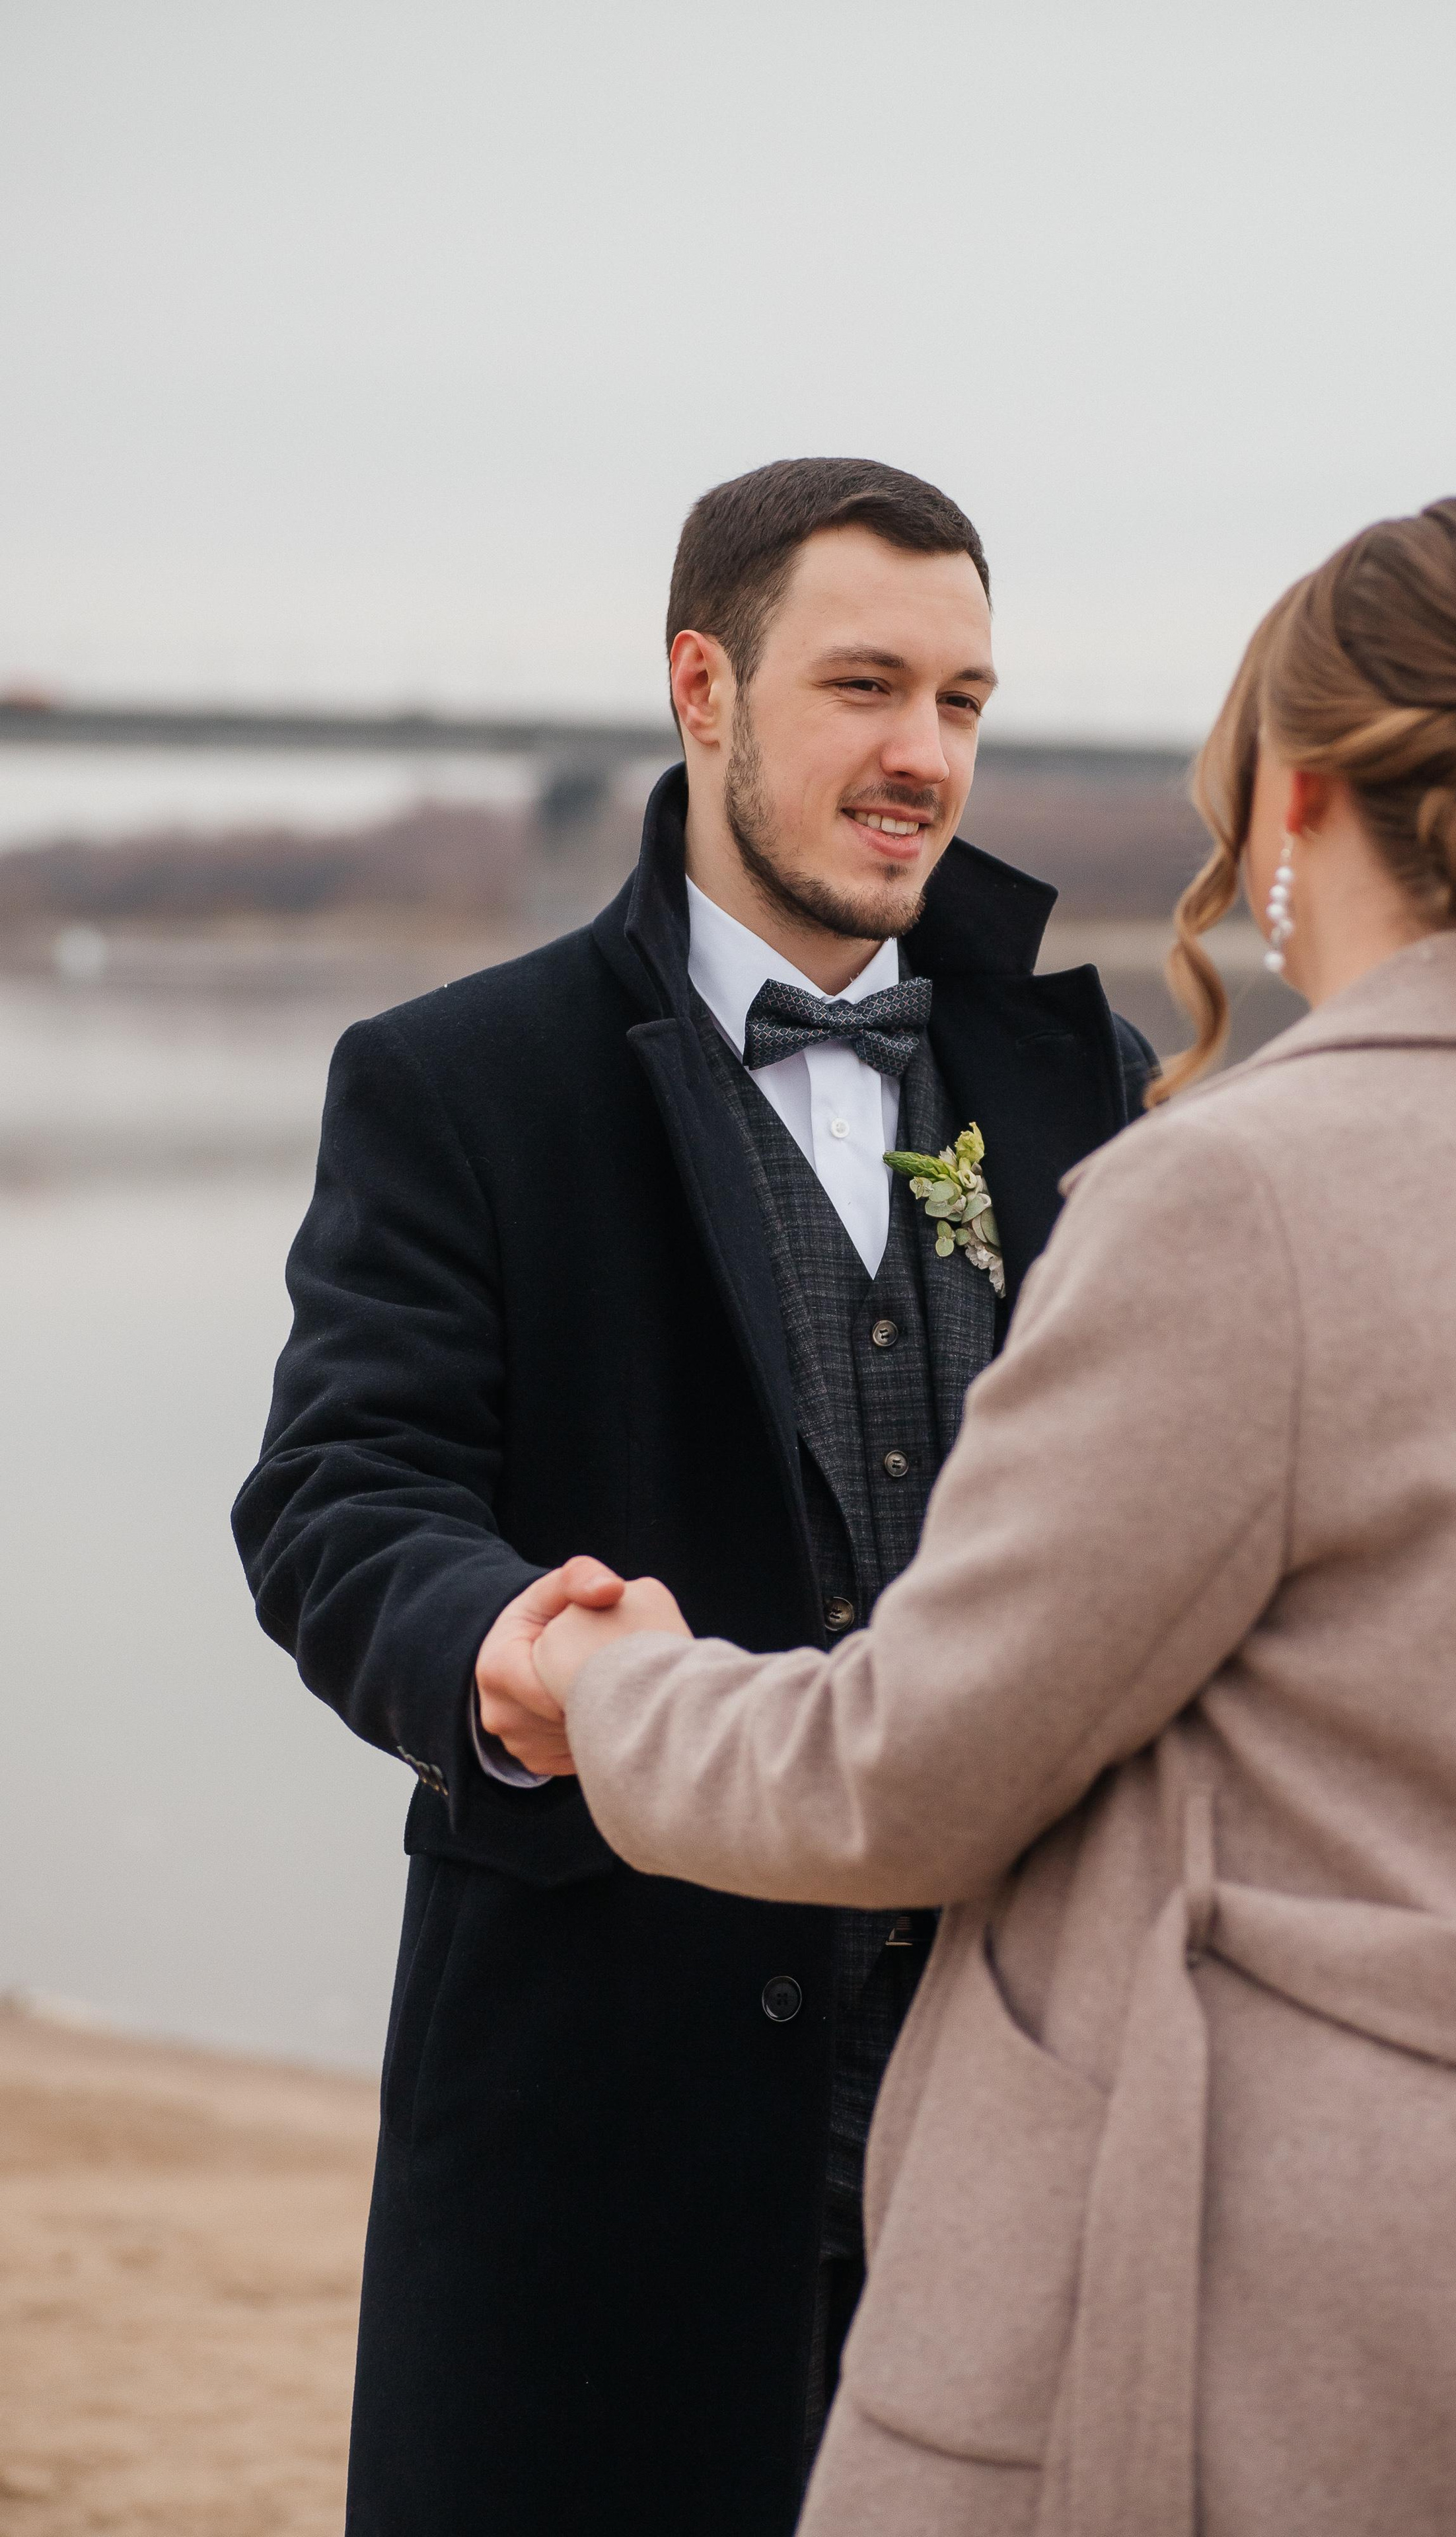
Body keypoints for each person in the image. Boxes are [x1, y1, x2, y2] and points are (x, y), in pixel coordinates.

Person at [534, 489, 1456, 2537]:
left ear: (1303, 801)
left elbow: (907, 1772)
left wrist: (629, 1685)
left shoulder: (1254, 1191)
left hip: (1266, 2307)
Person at [232, 455, 1155, 2537]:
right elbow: (334, 1492)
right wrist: (501, 1644)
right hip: (604, 2125)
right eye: (865, 686)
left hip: (1017, 2132)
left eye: (965, 702)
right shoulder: (456, 1079)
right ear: (704, 690)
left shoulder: (1079, 1084)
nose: (925, 756)